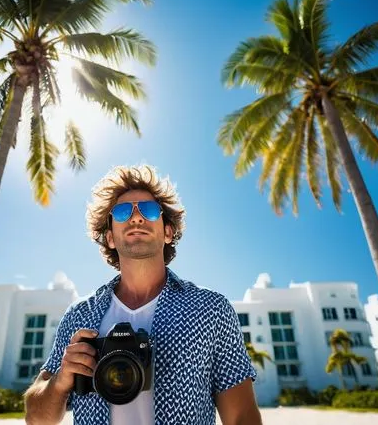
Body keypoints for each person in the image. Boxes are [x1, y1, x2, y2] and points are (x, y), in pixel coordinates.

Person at [25, 165, 262, 425]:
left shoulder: (210, 309)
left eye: (148, 210)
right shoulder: (79, 316)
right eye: (123, 212)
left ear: (168, 232)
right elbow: (36, 419)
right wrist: (59, 382)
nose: (136, 218)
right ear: (110, 237)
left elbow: (241, 416)